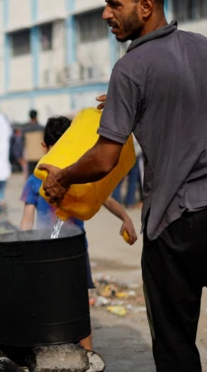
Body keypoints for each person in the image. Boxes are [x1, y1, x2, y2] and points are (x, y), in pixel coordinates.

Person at [39, 0, 207, 371]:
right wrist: (125, 103)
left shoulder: (130, 69)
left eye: (115, 4)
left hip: (176, 223)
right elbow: (182, 99)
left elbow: (105, 158)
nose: (106, 14)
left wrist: (64, 175)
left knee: (175, 347)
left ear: (146, 6)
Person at [20, 116, 137, 353]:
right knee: (47, 302)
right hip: (46, 250)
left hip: (74, 250)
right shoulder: (34, 181)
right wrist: (24, 247)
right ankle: (52, 350)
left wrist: (125, 218)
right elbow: (27, 219)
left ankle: (88, 355)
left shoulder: (78, 178)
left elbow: (104, 198)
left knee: (78, 303)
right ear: (45, 149)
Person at [111, 136, 142, 207]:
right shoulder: (139, 128)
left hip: (123, 154)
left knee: (118, 180)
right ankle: (129, 202)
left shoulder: (125, 127)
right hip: (135, 154)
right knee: (132, 181)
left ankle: (116, 202)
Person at [23, 109, 44, 177]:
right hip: (40, 156)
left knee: (31, 176)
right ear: (36, 116)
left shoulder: (25, 129)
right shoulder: (42, 128)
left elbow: (22, 143)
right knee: (40, 176)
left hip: (30, 156)